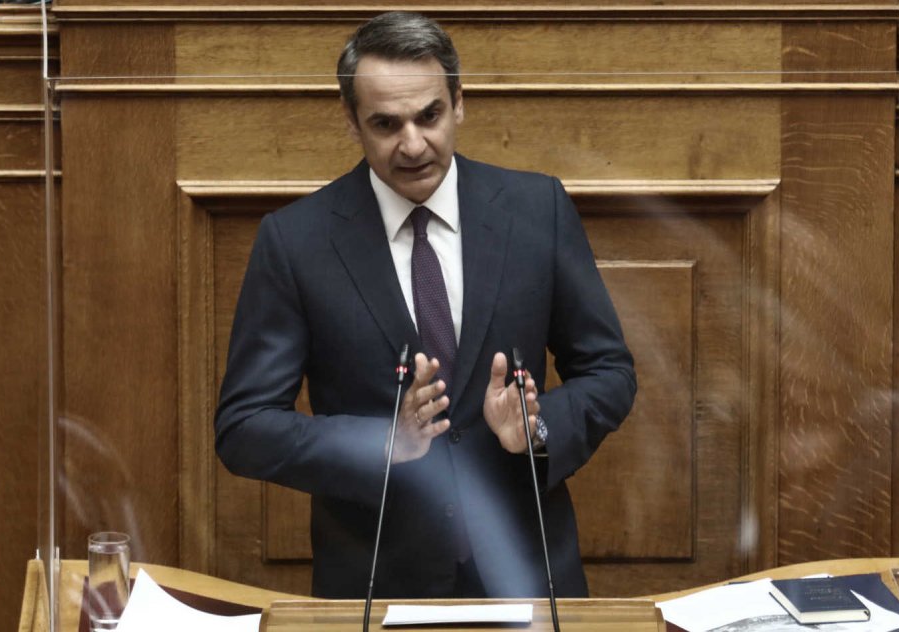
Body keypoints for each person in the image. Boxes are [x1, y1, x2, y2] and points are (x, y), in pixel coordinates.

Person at [215, 11, 636, 600]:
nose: (412, 145)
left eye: (429, 116)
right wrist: (385, 443)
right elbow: (245, 428)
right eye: (386, 124)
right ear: (351, 121)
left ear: (459, 102)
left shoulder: (537, 209)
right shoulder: (296, 242)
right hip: (375, 586)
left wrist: (535, 429)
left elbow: (610, 372)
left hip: (526, 579)